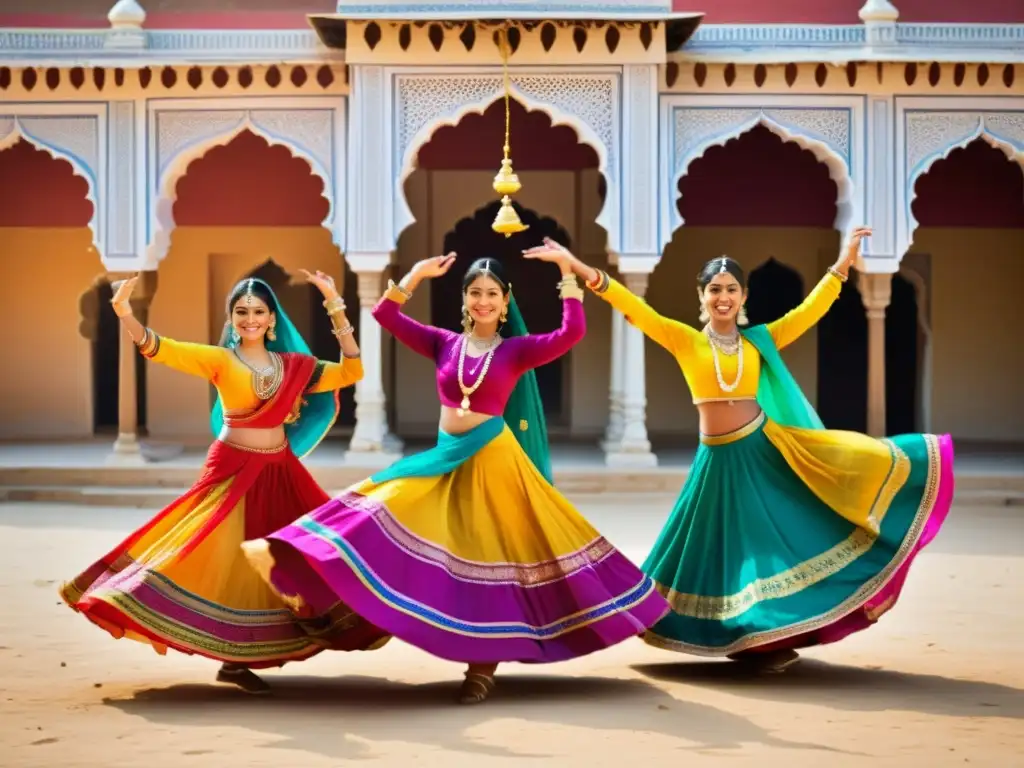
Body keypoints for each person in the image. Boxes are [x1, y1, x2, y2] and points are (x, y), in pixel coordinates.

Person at [242, 253, 670, 704]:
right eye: (474, 292)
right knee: (383, 506)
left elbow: (572, 333)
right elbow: (386, 315)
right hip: (445, 460)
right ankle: (324, 577)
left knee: (487, 559)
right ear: (464, 299)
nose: (483, 301)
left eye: (491, 294)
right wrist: (415, 275)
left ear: (505, 302)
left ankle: (481, 668)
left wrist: (566, 271)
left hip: (494, 463)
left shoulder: (515, 350)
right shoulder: (443, 343)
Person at [522, 231, 955, 672]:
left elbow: (810, 312)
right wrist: (573, 265)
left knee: (769, 548)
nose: (722, 297)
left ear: (743, 295)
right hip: (717, 462)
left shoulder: (759, 341)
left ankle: (767, 638)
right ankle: (741, 636)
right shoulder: (684, 339)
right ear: (702, 296)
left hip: (764, 454)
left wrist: (842, 263)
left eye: (731, 289)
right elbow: (629, 305)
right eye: (714, 290)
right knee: (718, 554)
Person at [61, 272, 388, 694]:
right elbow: (158, 348)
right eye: (241, 312)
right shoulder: (220, 360)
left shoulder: (294, 368)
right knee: (214, 553)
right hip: (232, 470)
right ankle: (132, 598)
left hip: (280, 470)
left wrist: (333, 302)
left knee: (299, 555)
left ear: (272, 320)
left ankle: (240, 661)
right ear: (232, 319)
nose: (250, 319)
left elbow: (351, 370)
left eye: (258, 312)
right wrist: (124, 310)